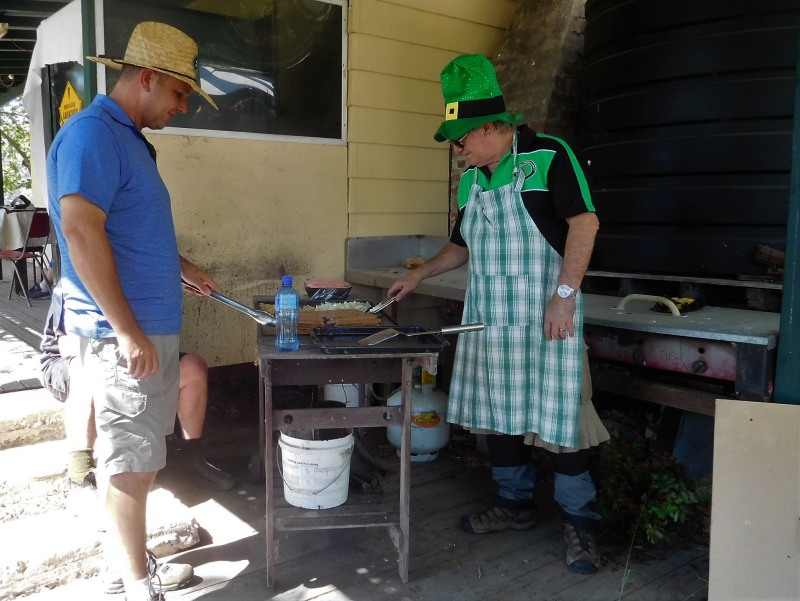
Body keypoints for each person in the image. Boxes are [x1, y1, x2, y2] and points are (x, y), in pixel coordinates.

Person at [386, 54, 610, 575]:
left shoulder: (548, 157)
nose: (456, 149)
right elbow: (460, 246)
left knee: (563, 420)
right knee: (498, 417)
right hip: (491, 318)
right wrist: (420, 274)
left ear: (491, 127)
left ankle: (581, 522)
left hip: (547, 316)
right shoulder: (470, 183)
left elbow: (585, 224)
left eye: (461, 138)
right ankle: (514, 505)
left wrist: (565, 294)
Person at [46, 21, 220, 601]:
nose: (183, 107)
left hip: (149, 326)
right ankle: (139, 586)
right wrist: (126, 330)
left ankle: (127, 563)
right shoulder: (93, 134)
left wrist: (182, 265)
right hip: (128, 333)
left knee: (136, 457)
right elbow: (79, 230)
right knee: (129, 462)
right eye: (178, 94)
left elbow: (129, 231)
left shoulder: (125, 139)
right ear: (146, 78)